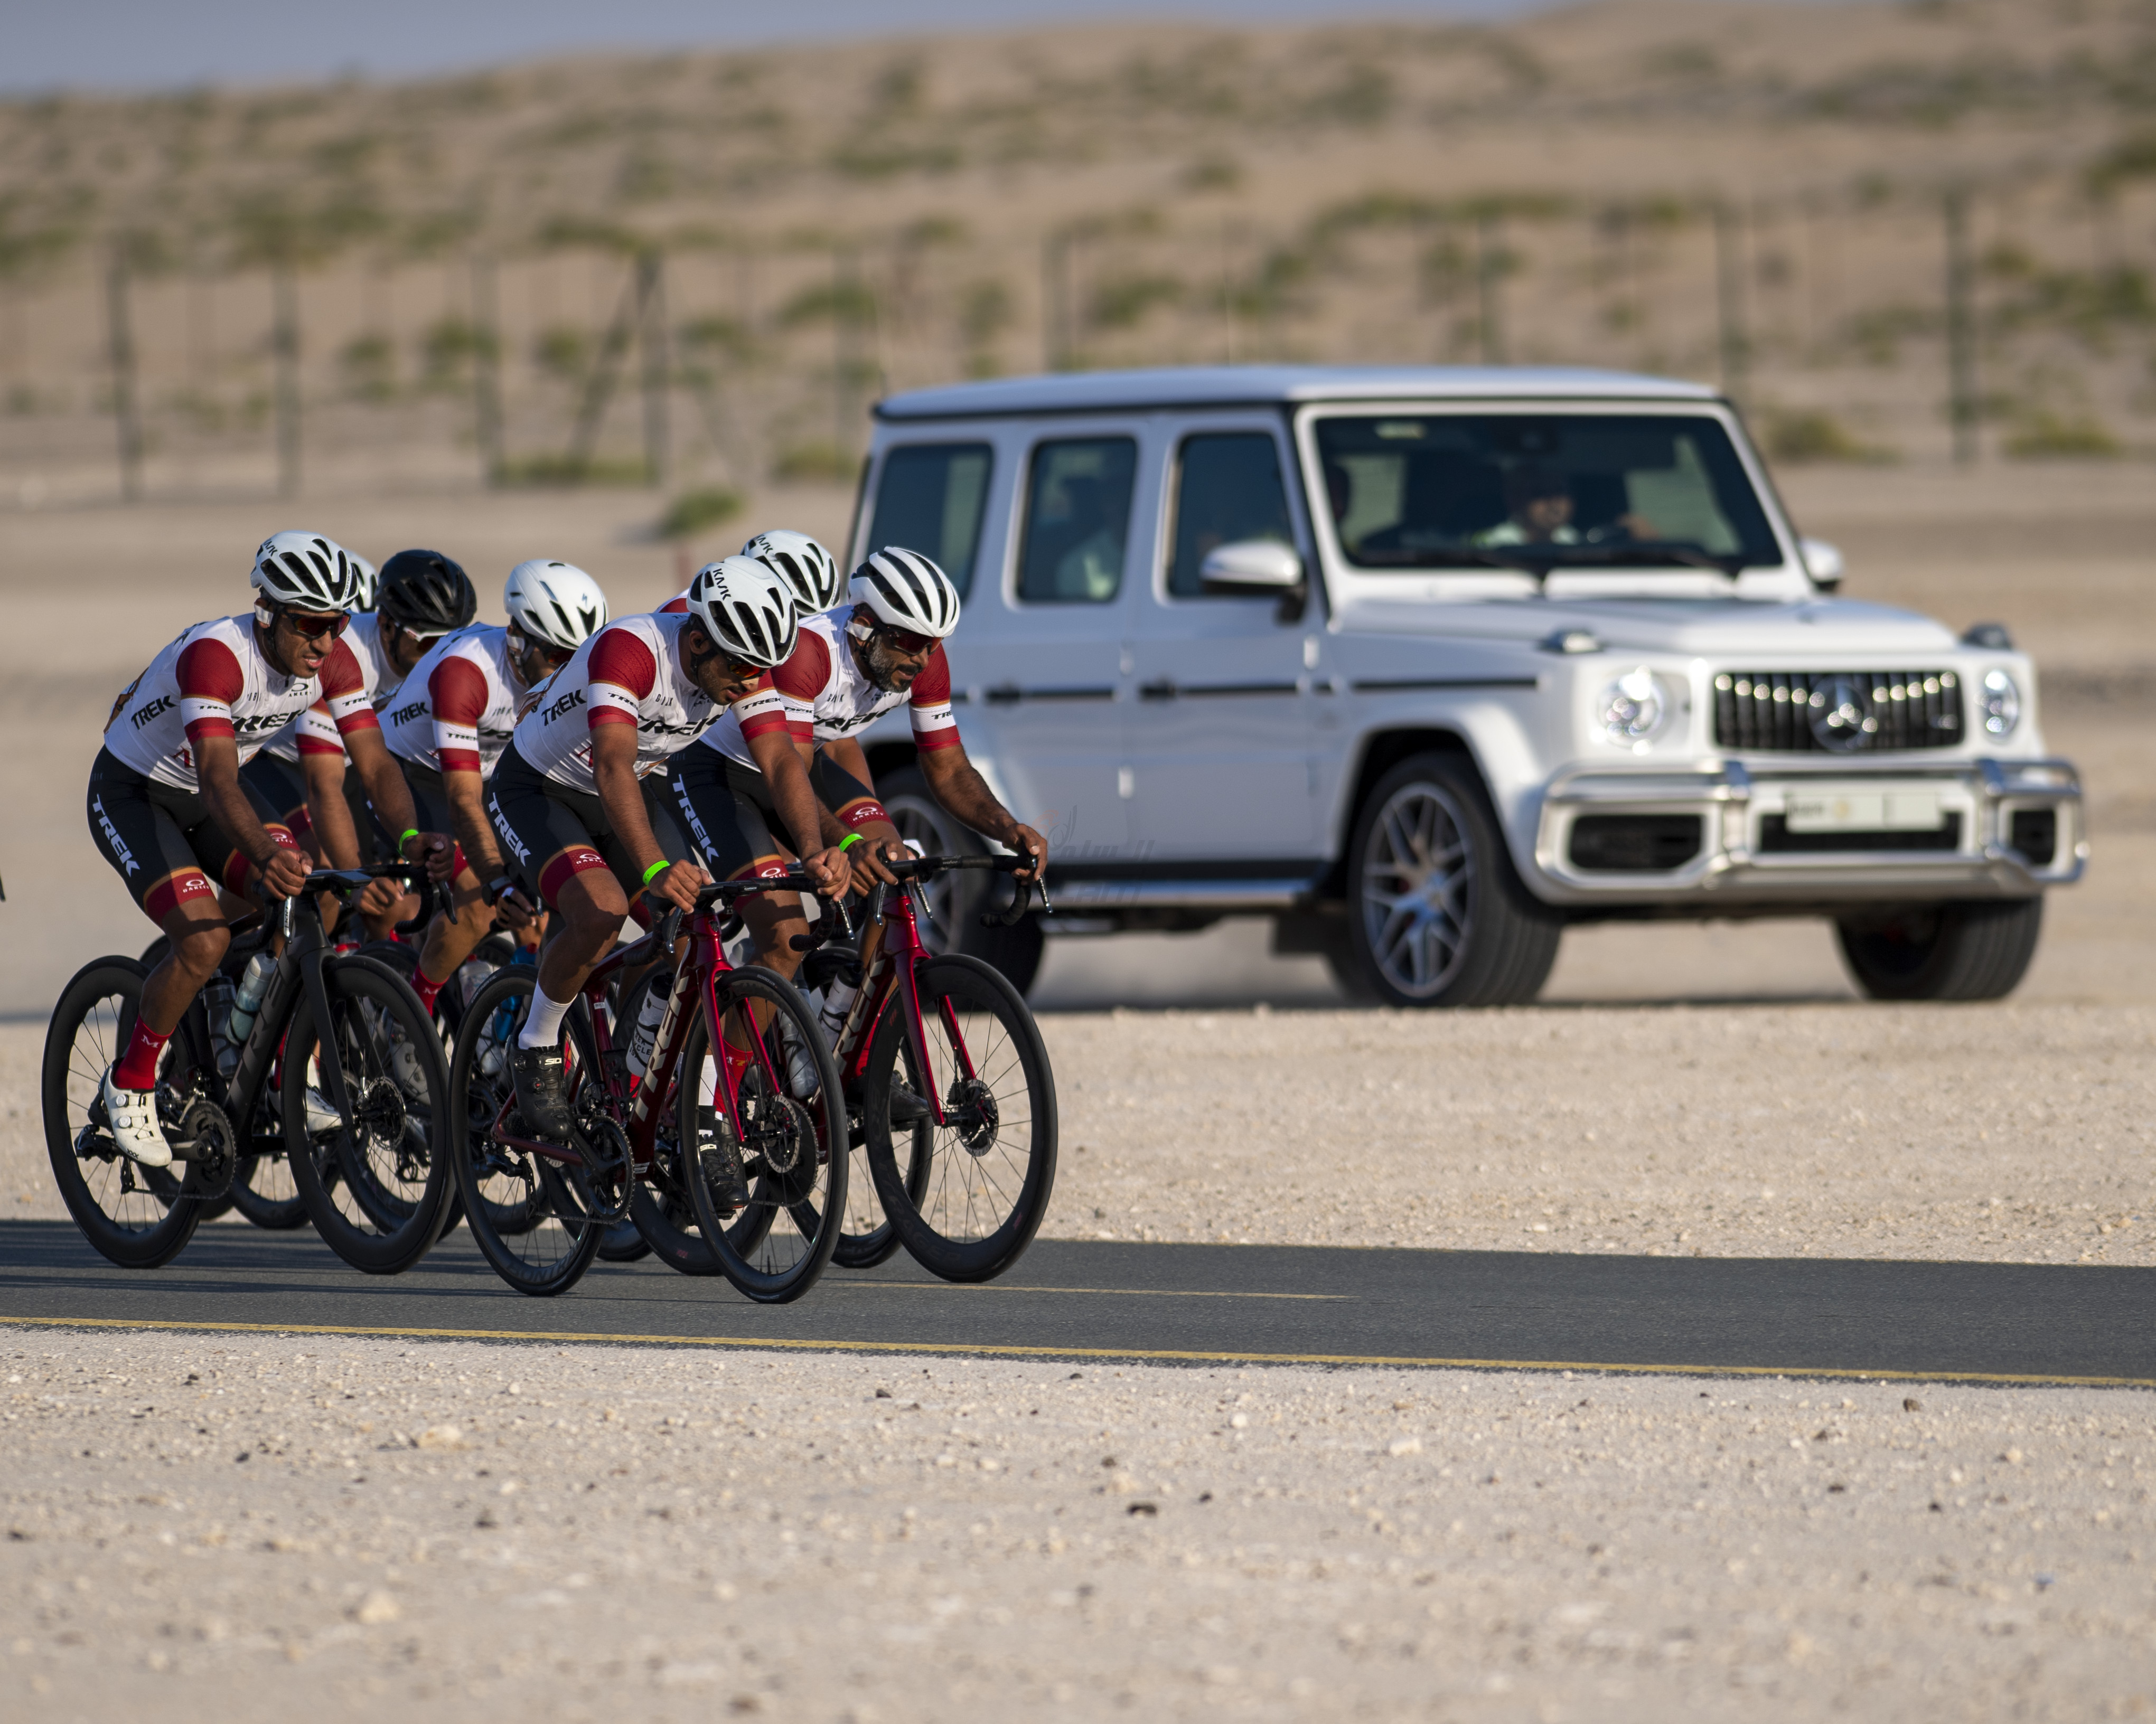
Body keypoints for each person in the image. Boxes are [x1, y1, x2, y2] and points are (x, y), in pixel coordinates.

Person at [86, 532, 448, 1167]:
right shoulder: (216, 657)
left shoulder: (334, 662)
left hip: (209, 795)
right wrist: (264, 854)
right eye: (309, 624)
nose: (325, 642)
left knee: (312, 897)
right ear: (268, 613)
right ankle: (131, 1080)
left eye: (336, 624)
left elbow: (373, 763)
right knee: (204, 939)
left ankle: (273, 1058)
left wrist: (411, 838)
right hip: (135, 793)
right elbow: (217, 779)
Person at [485, 557, 852, 1139]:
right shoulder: (631, 651)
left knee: (692, 934)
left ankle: (653, 1090)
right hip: (539, 789)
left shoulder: (741, 663)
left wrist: (812, 848)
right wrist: (654, 866)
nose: (751, 681)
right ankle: (535, 1045)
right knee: (603, 912)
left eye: (762, 669)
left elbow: (781, 759)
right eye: (742, 666)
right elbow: (612, 764)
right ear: (699, 641)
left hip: (624, 793)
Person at [672, 546, 1047, 999]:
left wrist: (1006, 828)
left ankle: (846, 1022)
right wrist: (847, 844)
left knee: (895, 870)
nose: (923, 659)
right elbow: (786, 770)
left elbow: (948, 769)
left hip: (798, 768)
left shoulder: (924, 664)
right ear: (865, 625)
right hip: (719, 773)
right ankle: (724, 1041)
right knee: (784, 939)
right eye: (910, 641)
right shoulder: (810, 654)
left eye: (934, 644)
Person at [379, 558, 609, 1016]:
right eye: (557, 657)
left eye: (578, 657)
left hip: (489, 777)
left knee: (545, 899)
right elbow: (462, 800)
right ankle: (408, 1020)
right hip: (413, 774)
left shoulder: (573, 677)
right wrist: (497, 881)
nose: (568, 671)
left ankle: (521, 1013)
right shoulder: (467, 672)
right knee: (481, 901)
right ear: (517, 638)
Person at [242, 549, 471, 935]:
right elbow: (323, 785)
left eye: (451, 642)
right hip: (281, 767)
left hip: (353, 764)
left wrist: (411, 840)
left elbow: (387, 768)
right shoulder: (341, 654)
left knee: (396, 900)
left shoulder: (451, 670)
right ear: (386, 626)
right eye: (427, 643)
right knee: (323, 887)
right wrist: (353, 877)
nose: (439, 656)